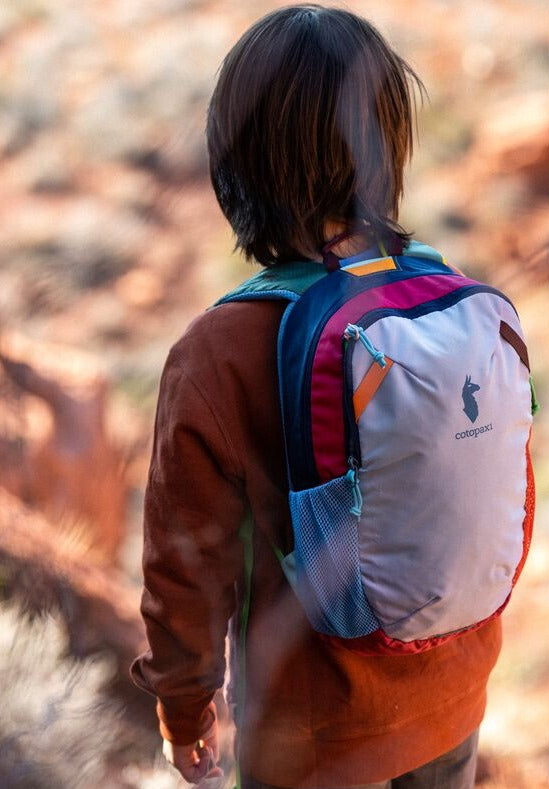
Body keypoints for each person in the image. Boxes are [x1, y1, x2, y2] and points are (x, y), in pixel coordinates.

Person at [131, 5, 514, 787]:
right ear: (387, 144)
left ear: (237, 162)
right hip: (453, 701)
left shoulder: (220, 351)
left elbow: (185, 569)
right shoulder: (443, 297)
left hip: (314, 737)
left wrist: (184, 709)